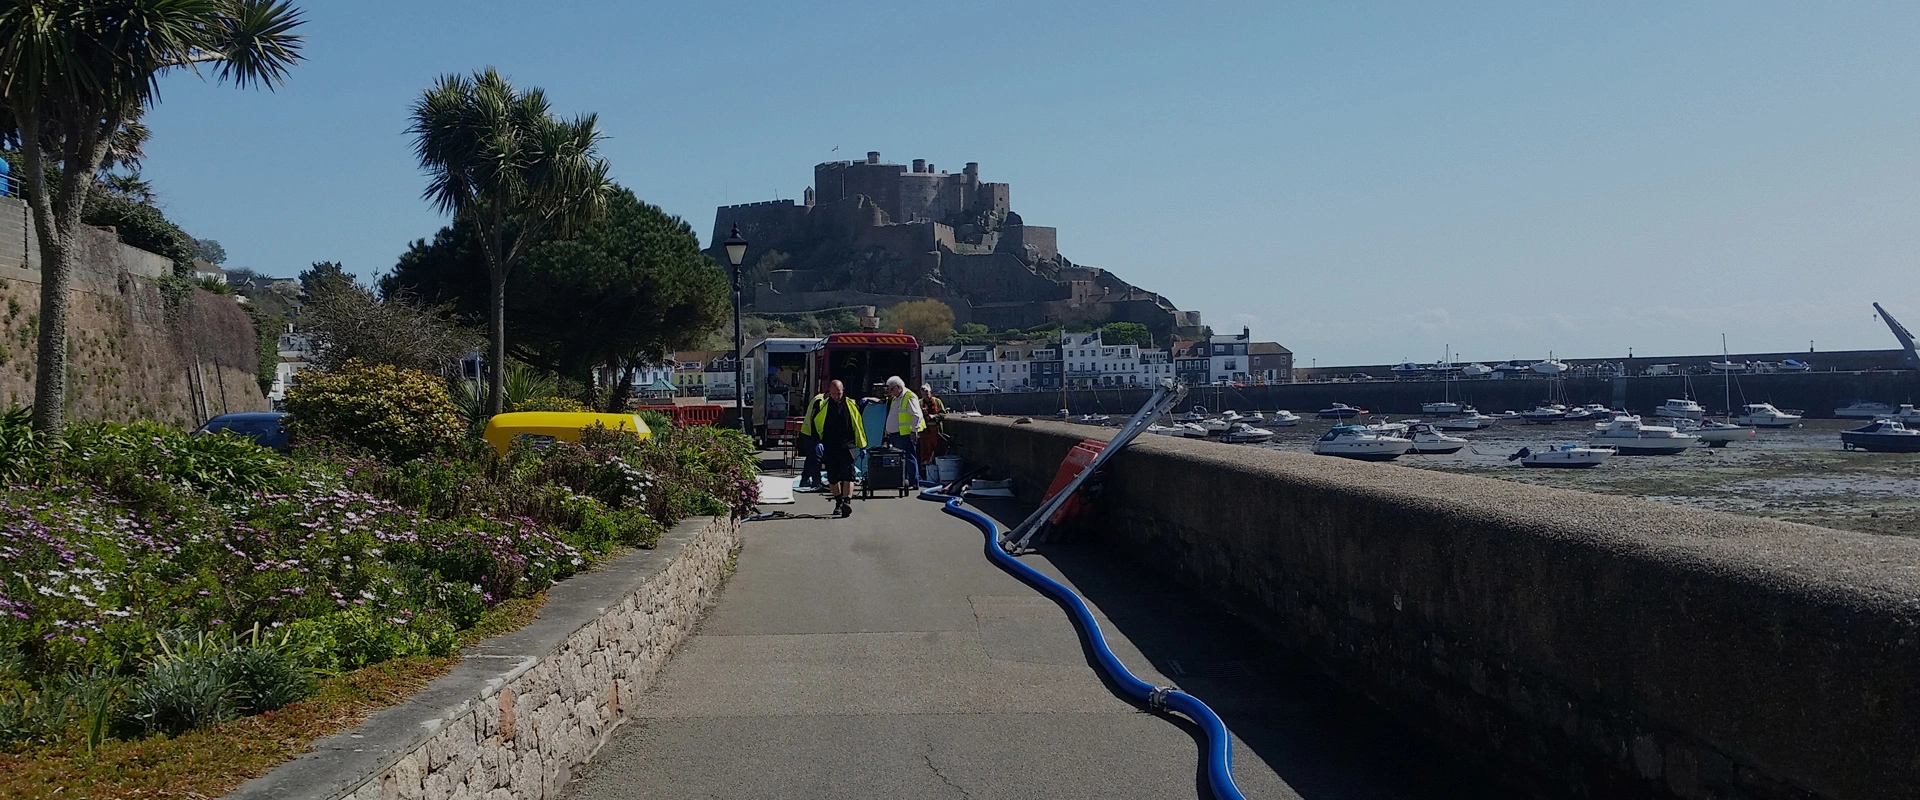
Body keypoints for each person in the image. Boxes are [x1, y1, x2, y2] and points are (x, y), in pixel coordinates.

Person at [807, 379, 865, 517]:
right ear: (829, 392)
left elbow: (858, 425)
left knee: (849, 475)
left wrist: (862, 446)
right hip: (830, 445)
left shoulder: (851, 405)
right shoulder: (822, 405)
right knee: (833, 477)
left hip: (847, 444)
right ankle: (838, 502)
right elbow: (814, 425)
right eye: (833, 394)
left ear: (843, 391)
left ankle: (846, 503)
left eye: (838, 393)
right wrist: (818, 442)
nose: (836, 396)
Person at [882, 376, 925, 489]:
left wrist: (913, 431)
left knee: (909, 457)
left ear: (899, 387)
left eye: (891, 389)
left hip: (905, 434)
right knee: (901, 459)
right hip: (896, 434)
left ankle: (913, 483)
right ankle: (903, 480)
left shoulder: (909, 396)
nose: (890, 392)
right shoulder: (896, 398)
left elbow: (917, 415)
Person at [918, 383, 947, 468]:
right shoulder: (919, 403)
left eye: (927, 393)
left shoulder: (937, 401)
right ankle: (924, 468)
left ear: (930, 392)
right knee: (925, 450)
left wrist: (933, 416)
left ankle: (935, 467)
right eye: (923, 394)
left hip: (936, 431)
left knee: (937, 450)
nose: (925, 396)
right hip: (925, 431)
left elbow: (943, 414)